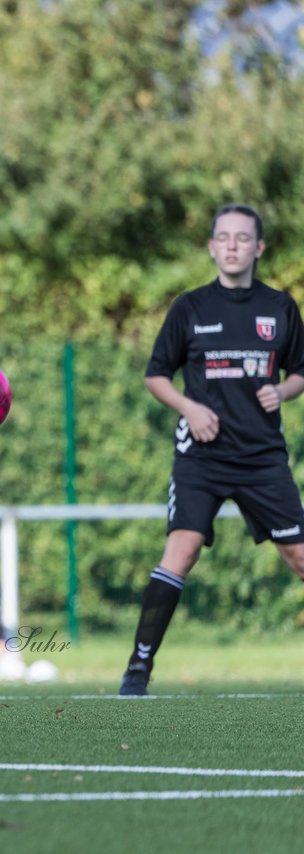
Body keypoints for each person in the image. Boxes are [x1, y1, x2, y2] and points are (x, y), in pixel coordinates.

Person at [120, 204, 304, 696]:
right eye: (223, 237)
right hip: (201, 457)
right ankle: (138, 667)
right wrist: (189, 408)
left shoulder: (281, 308)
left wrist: (283, 392)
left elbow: (300, 372)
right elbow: (155, 376)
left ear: (259, 248)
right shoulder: (190, 308)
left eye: (243, 238)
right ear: (211, 246)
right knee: (182, 550)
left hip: (263, 457)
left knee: (300, 555)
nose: (232, 246)